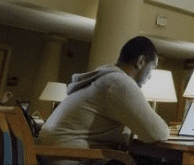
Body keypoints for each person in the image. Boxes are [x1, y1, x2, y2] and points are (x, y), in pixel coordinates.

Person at [38, 36, 170, 164]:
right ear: (141, 61)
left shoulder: (103, 79)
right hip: (73, 159)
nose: (151, 76)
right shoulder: (118, 83)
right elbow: (157, 132)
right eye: (153, 67)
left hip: (54, 156)